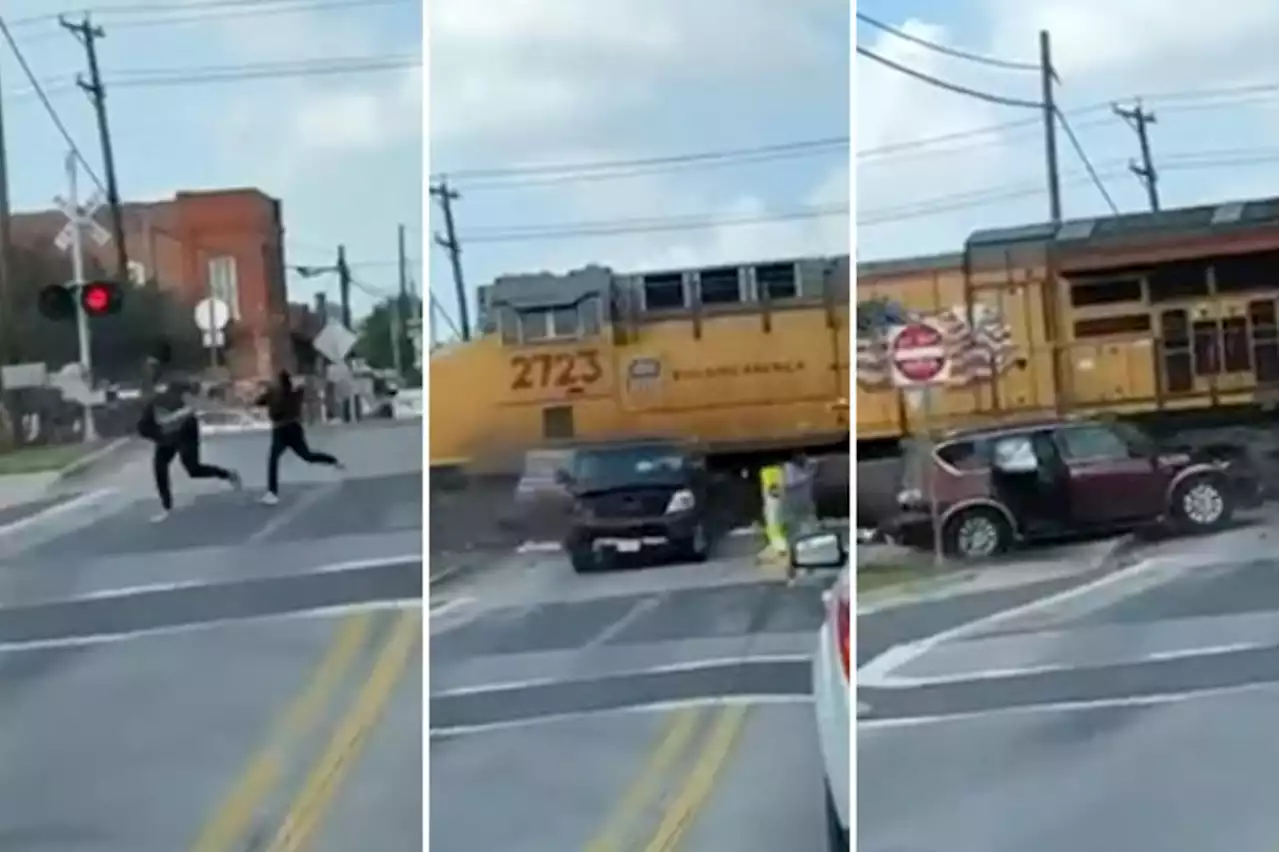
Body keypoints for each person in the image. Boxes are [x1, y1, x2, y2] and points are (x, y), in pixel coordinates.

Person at [137, 378, 242, 522]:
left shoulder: (161, 403)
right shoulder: (149, 425)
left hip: (186, 431)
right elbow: (165, 422)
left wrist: (186, 411)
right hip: (168, 436)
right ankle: (167, 508)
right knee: (160, 468)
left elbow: (166, 420)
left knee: (193, 469)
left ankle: (229, 474)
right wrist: (185, 412)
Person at [256, 370, 343, 505]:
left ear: (280, 382)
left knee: (277, 459)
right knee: (305, 456)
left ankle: (272, 493)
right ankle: (333, 461)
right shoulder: (292, 393)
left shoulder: (275, 394)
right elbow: (307, 392)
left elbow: (258, 402)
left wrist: (266, 390)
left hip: (283, 429)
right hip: (291, 428)